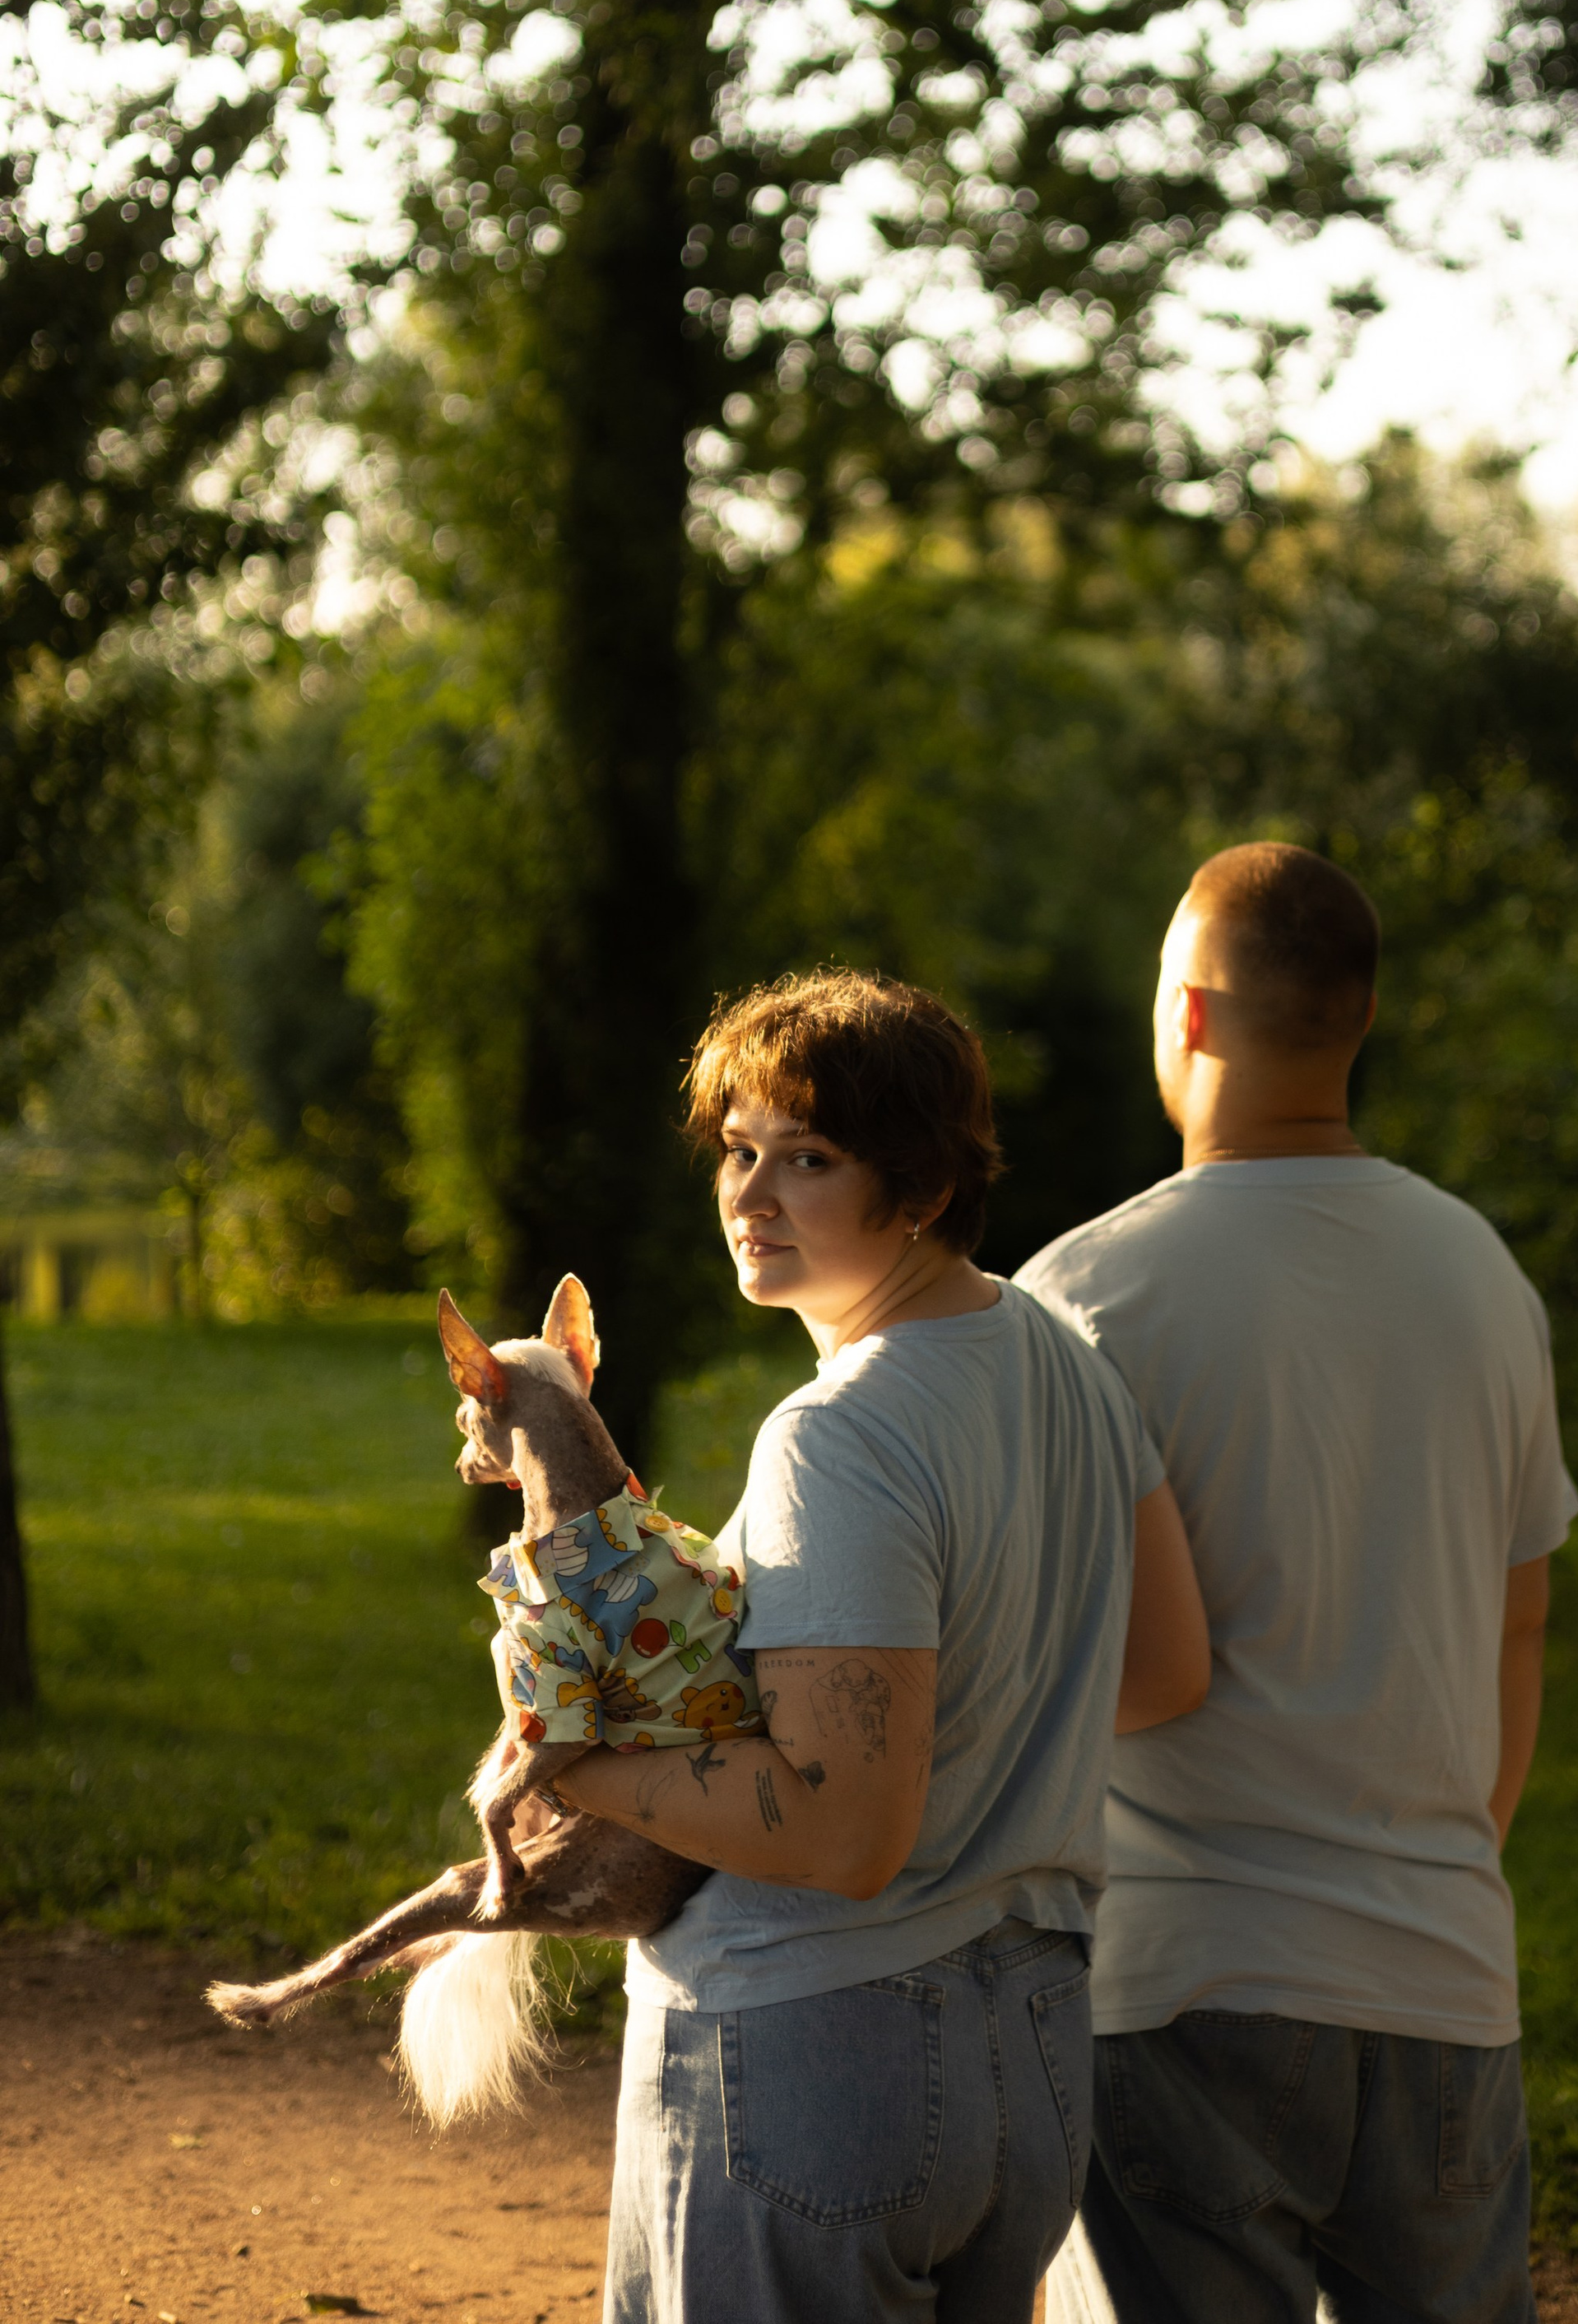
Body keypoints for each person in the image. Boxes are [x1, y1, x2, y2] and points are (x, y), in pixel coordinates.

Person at [554, 968, 1210, 2324]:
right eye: (739, 1151)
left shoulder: (839, 1430)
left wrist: (573, 1767)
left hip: (817, 2051)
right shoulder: (1070, 1364)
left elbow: (846, 1833)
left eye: (809, 1158)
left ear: (917, 1188)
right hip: (1027, 2056)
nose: (748, 1196)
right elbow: (1160, 1674)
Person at [1017, 843, 1578, 2324]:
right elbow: (1521, 1621)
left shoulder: (1083, 1295)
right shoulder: (1485, 1280)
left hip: (1182, 1978)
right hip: (1446, 1974)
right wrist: (1436, 1869)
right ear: (1359, 1018)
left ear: (1188, 1015)